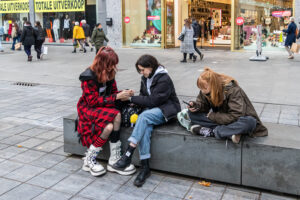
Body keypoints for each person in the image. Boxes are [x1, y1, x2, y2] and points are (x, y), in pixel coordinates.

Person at [112, 55, 181, 187]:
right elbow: (144, 96)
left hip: (167, 110)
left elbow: (153, 101)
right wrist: (133, 96)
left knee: (143, 118)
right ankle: (145, 167)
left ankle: (128, 153)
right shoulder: (145, 78)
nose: (141, 73)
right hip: (151, 112)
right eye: (140, 70)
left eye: (143, 69)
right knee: (145, 127)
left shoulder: (164, 79)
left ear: (151, 66)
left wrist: (131, 99)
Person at [77, 46, 136, 177]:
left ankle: (111, 160)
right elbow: (92, 101)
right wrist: (116, 97)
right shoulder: (88, 76)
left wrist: (124, 94)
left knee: (109, 126)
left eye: (113, 64)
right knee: (116, 115)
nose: (112, 67)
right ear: (102, 62)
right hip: (87, 108)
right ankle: (92, 159)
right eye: (110, 64)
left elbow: (113, 93)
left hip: (101, 107)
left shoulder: (109, 73)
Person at [183, 67, 267, 144]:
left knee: (250, 122)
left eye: (204, 88)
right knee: (191, 114)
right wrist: (196, 106)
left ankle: (212, 132)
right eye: (200, 88)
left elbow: (235, 116)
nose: (202, 91)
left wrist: (214, 116)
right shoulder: (205, 91)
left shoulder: (233, 90)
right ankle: (229, 133)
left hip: (235, 120)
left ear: (213, 85)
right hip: (222, 121)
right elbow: (203, 105)